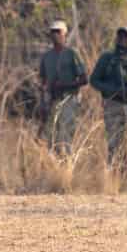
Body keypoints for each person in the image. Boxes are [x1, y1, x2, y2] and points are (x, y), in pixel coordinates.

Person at [89, 26, 127, 169]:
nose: (122, 39)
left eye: (126, 36)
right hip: (113, 105)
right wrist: (111, 90)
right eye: (120, 36)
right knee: (113, 142)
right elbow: (93, 80)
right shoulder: (107, 58)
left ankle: (126, 175)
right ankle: (113, 176)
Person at [38, 20, 87, 156]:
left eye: (58, 32)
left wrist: (65, 85)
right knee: (50, 136)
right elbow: (42, 80)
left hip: (69, 99)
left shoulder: (72, 53)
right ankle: (54, 168)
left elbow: (84, 79)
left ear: (65, 34)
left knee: (65, 136)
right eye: (53, 32)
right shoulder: (47, 57)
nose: (55, 35)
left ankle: (67, 167)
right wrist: (43, 102)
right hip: (52, 100)